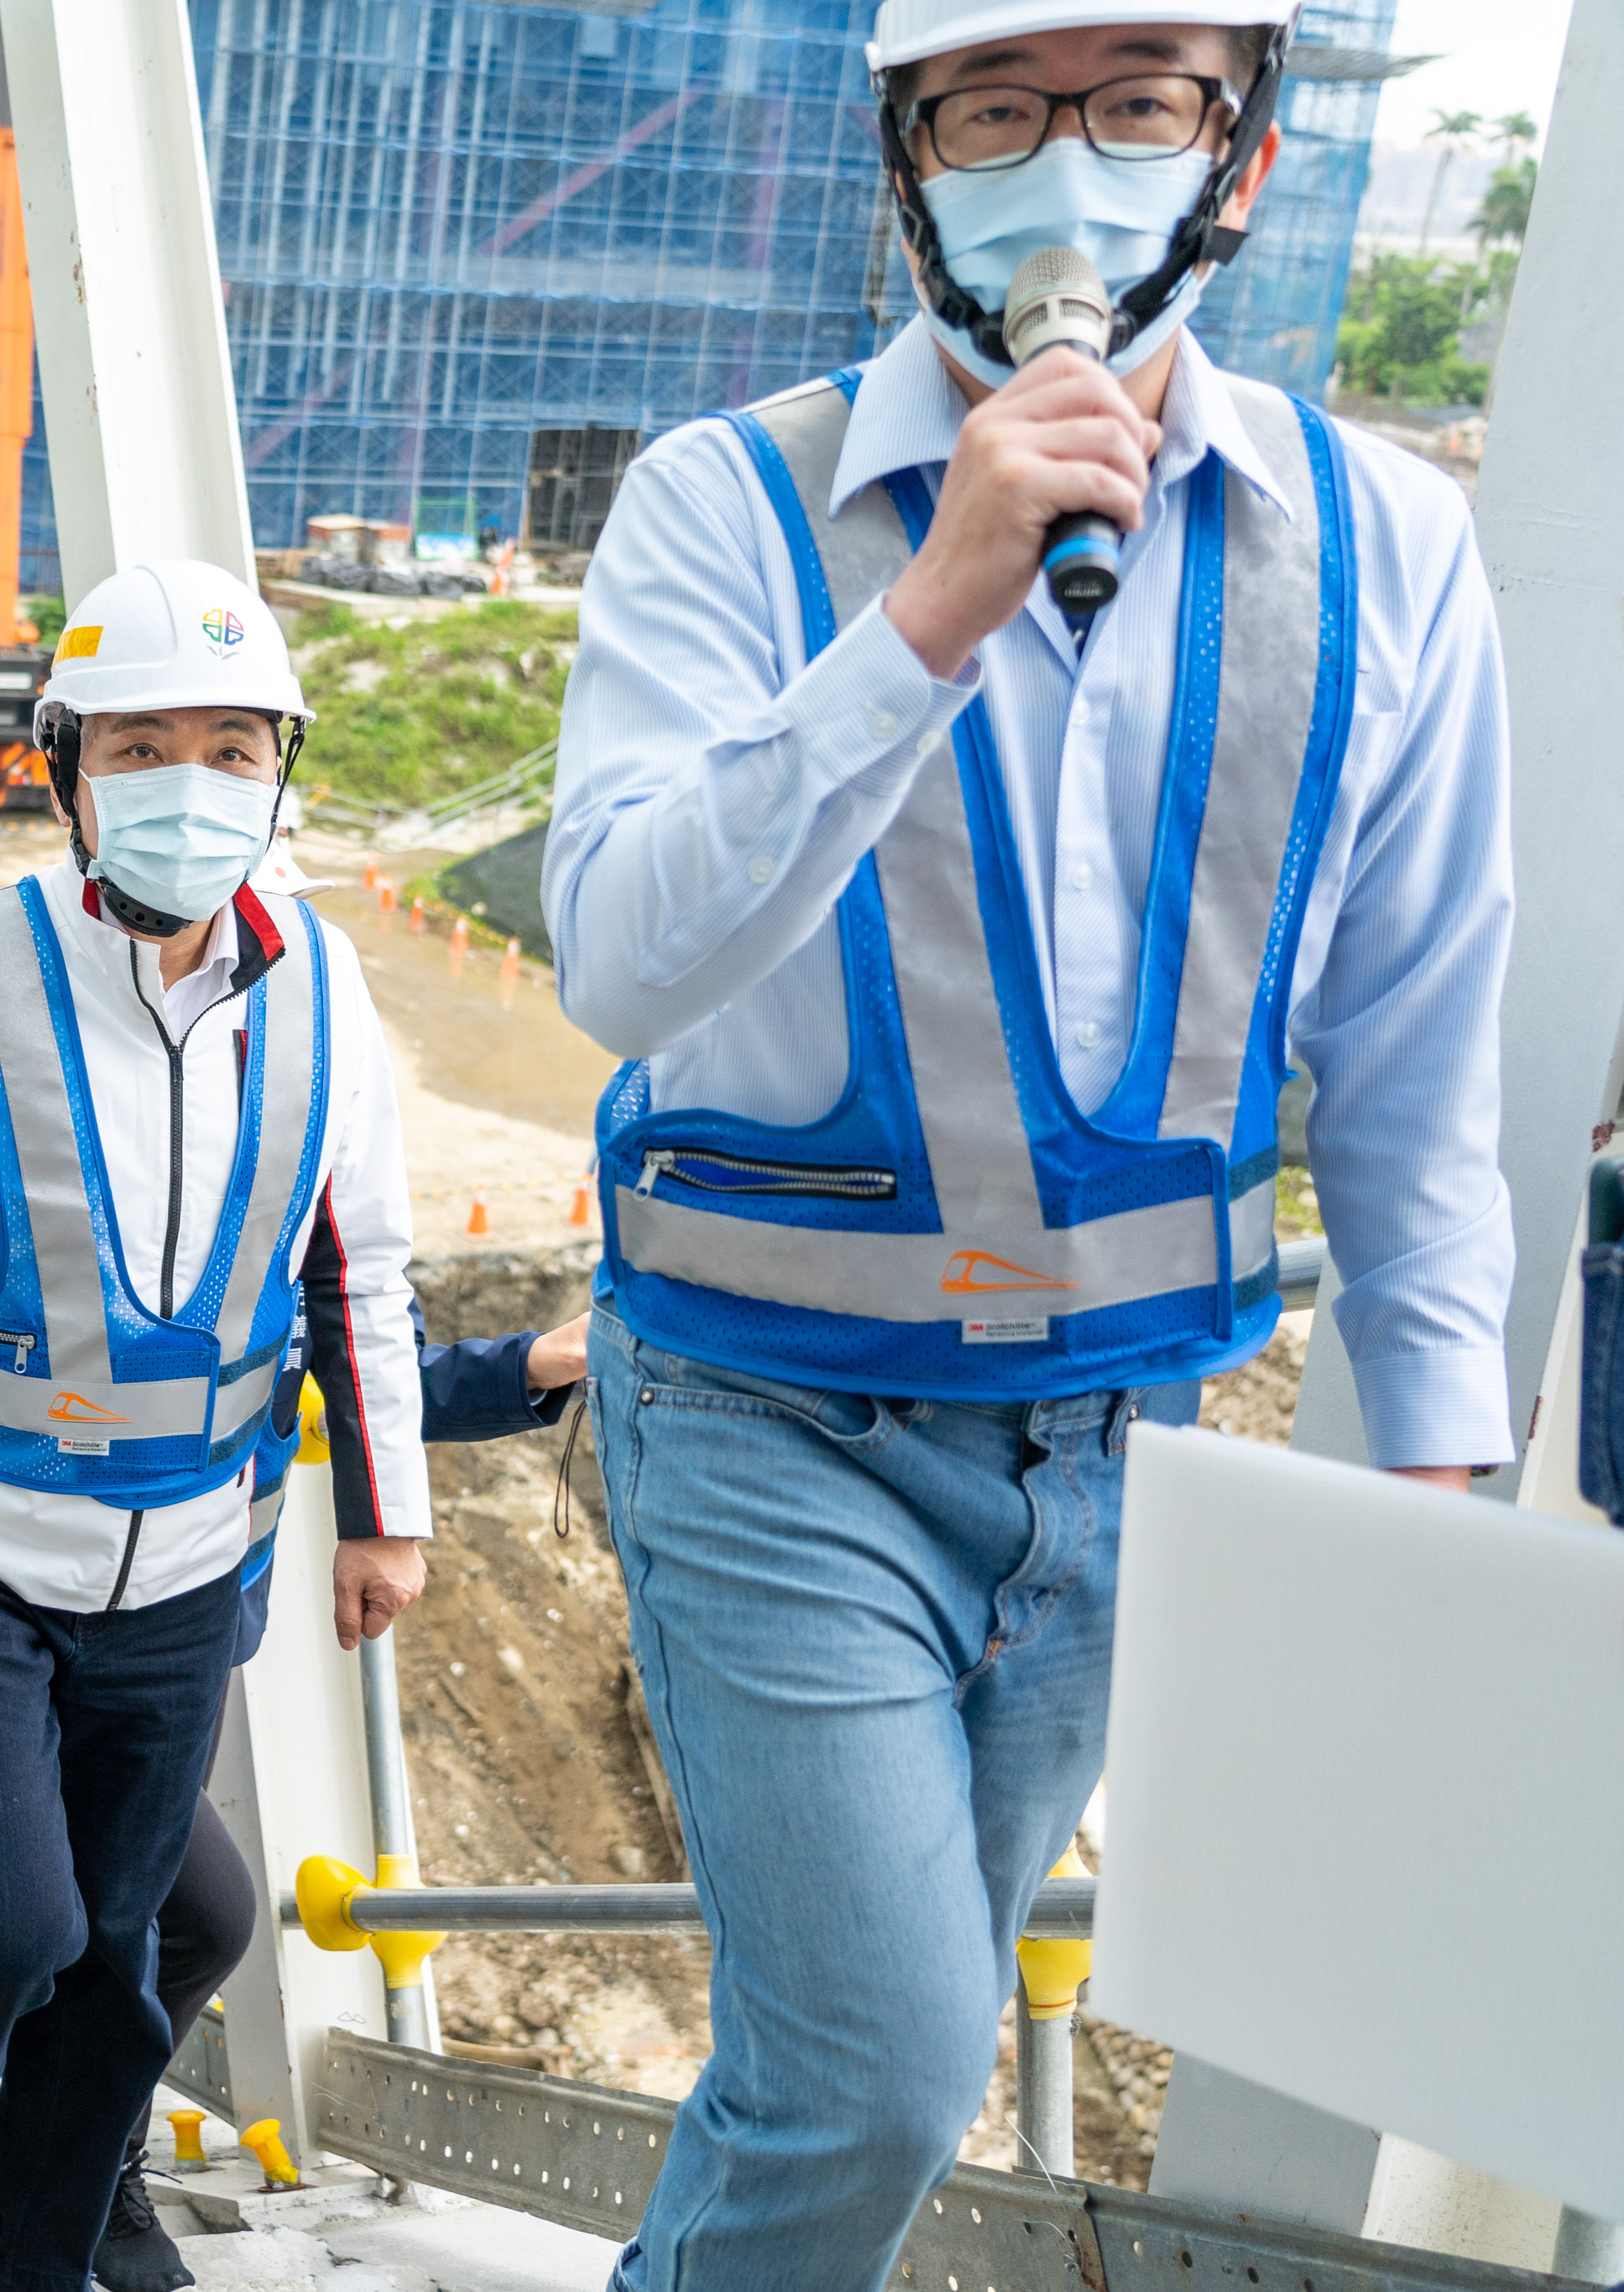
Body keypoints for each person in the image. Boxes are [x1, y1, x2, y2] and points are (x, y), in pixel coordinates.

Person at [540, 4, 1514, 2283]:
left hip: (1113, 1445)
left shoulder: (1386, 551)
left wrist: (1442, 1474)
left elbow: (1409, 1041)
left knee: (879, 2048)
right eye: (1000, 107)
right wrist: (931, 610)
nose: (1065, 162)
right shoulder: (729, 505)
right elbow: (616, 954)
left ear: (1241, 158)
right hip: (768, 1412)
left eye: (1140, 100)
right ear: (913, 157)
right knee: (876, 2064)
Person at [0, 557, 434, 2292]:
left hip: (187, 1558)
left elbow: (358, 1263)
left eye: (230, 742)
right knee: (8, 1926)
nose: (190, 783)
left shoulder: (328, 995)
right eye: (141, 743)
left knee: (122, 1950)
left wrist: (386, 1510)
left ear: (278, 766)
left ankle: (31, 2249)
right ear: (63, 768)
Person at [0, 1303, 594, 2292]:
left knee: (193, 1921)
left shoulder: (312, 1167)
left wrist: (531, 1362)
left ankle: (81, 2173)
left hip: (181, 1613)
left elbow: (357, 1362)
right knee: (36, 1917)